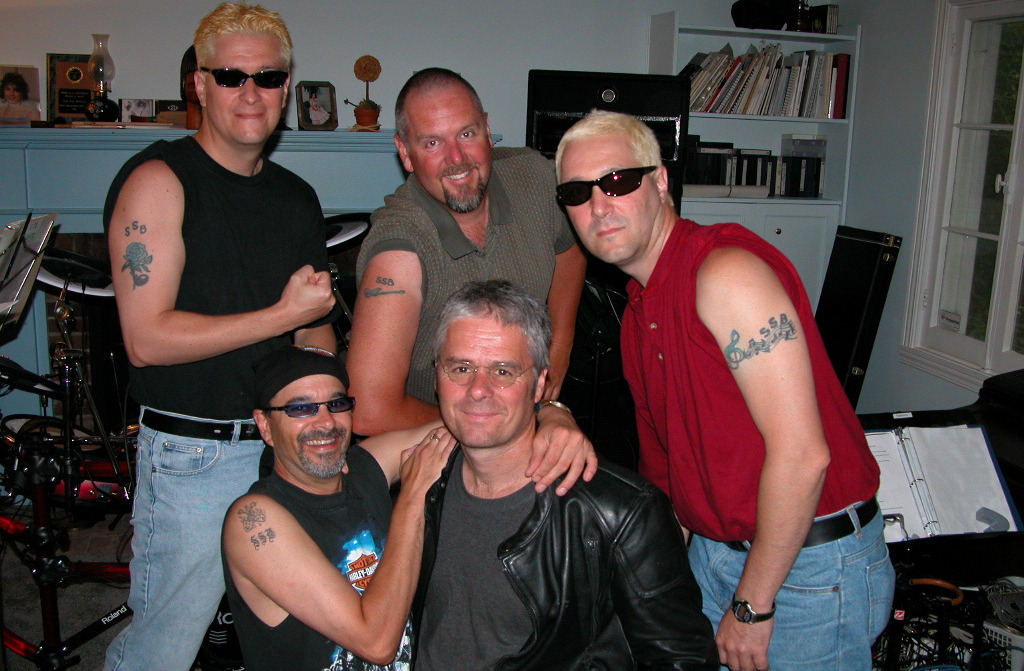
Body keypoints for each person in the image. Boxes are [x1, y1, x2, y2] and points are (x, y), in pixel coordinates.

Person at [554, 111, 894, 671]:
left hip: (806, 570)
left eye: (617, 180)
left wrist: (752, 606)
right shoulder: (638, 314)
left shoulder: (725, 275)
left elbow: (803, 456)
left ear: (660, 181)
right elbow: (668, 477)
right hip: (717, 556)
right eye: (577, 192)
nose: (598, 204)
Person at [103, 4, 338, 669]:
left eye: (268, 77)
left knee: (290, 636)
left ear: (286, 88)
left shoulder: (296, 198)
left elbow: (314, 328)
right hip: (194, 460)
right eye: (231, 76)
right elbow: (146, 339)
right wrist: (281, 315)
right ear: (200, 85)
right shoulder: (158, 182)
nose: (250, 92)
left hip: (283, 446)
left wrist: (326, 408)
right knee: (163, 651)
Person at [412, 280, 719, 670]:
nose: (478, 389)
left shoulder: (620, 513)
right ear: (436, 376)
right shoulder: (421, 481)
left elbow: (683, 659)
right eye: (460, 368)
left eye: (503, 371)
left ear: (539, 383)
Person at [347, 67, 587, 436]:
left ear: (488, 130)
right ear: (405, 153)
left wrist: (559, 347)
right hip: (429, 436)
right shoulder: (399, 253)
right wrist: (506, 430)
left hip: (520, 413)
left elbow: (569, 249)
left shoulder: (536, 179)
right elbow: (370, 411)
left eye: (466, 134)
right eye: (432, 143)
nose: (456, 158)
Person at [222, 345, 454, 670]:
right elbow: (376, 643)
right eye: (301, 408)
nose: (326, 422)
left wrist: (537, 415)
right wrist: (413, 497)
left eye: (336, 404)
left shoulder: (364, 469)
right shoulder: (254, 521)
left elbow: (469, 428)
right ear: (265, 425)